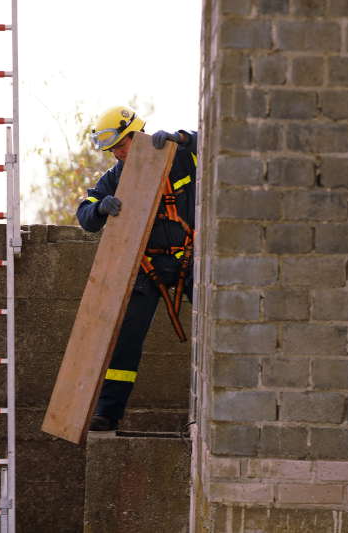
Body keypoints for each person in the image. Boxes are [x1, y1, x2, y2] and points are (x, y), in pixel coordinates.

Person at [76, 105, 198, 431]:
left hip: (191, 261)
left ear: (137, 134)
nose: (117, 154)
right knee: (126, 339)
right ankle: (109, 412)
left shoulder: (180, 156)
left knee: (218, 326)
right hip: (150, 266)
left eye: (120, 145)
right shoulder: (115, 177)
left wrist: (182, 138)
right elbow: (85, 214)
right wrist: (101, 207)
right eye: (112, 150)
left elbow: (213, 147)